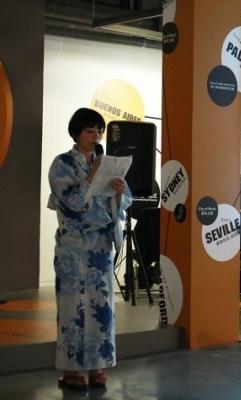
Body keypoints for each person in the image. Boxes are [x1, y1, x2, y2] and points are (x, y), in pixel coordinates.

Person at [48, 108, 132, 389]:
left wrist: (119, 192)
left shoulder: (106, 162)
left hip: (100, 248)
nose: (96, 136)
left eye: (99, 130)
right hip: (74, 249)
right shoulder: (62, 164)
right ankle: (72, 370)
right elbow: (68, 202)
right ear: (76, 134)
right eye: (89, 130)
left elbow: (126, 200)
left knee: (101, 308)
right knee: (73, 309)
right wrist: (90, 177)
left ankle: (97, 366)